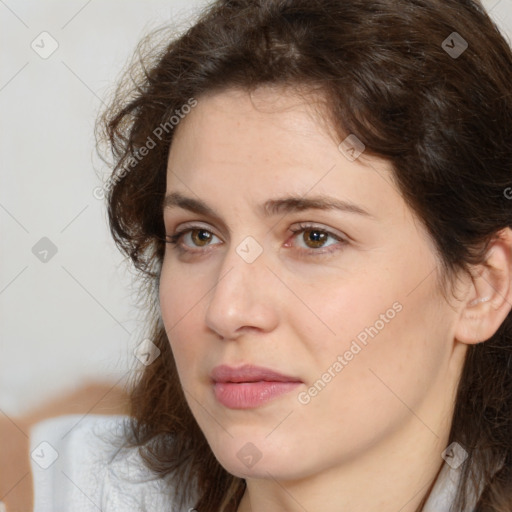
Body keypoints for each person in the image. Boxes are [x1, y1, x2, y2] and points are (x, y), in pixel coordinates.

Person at [29, 0, 512, 511]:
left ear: (483, 285)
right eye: (197, 236)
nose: (226, 311)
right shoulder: (65, 489)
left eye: (313, 237)